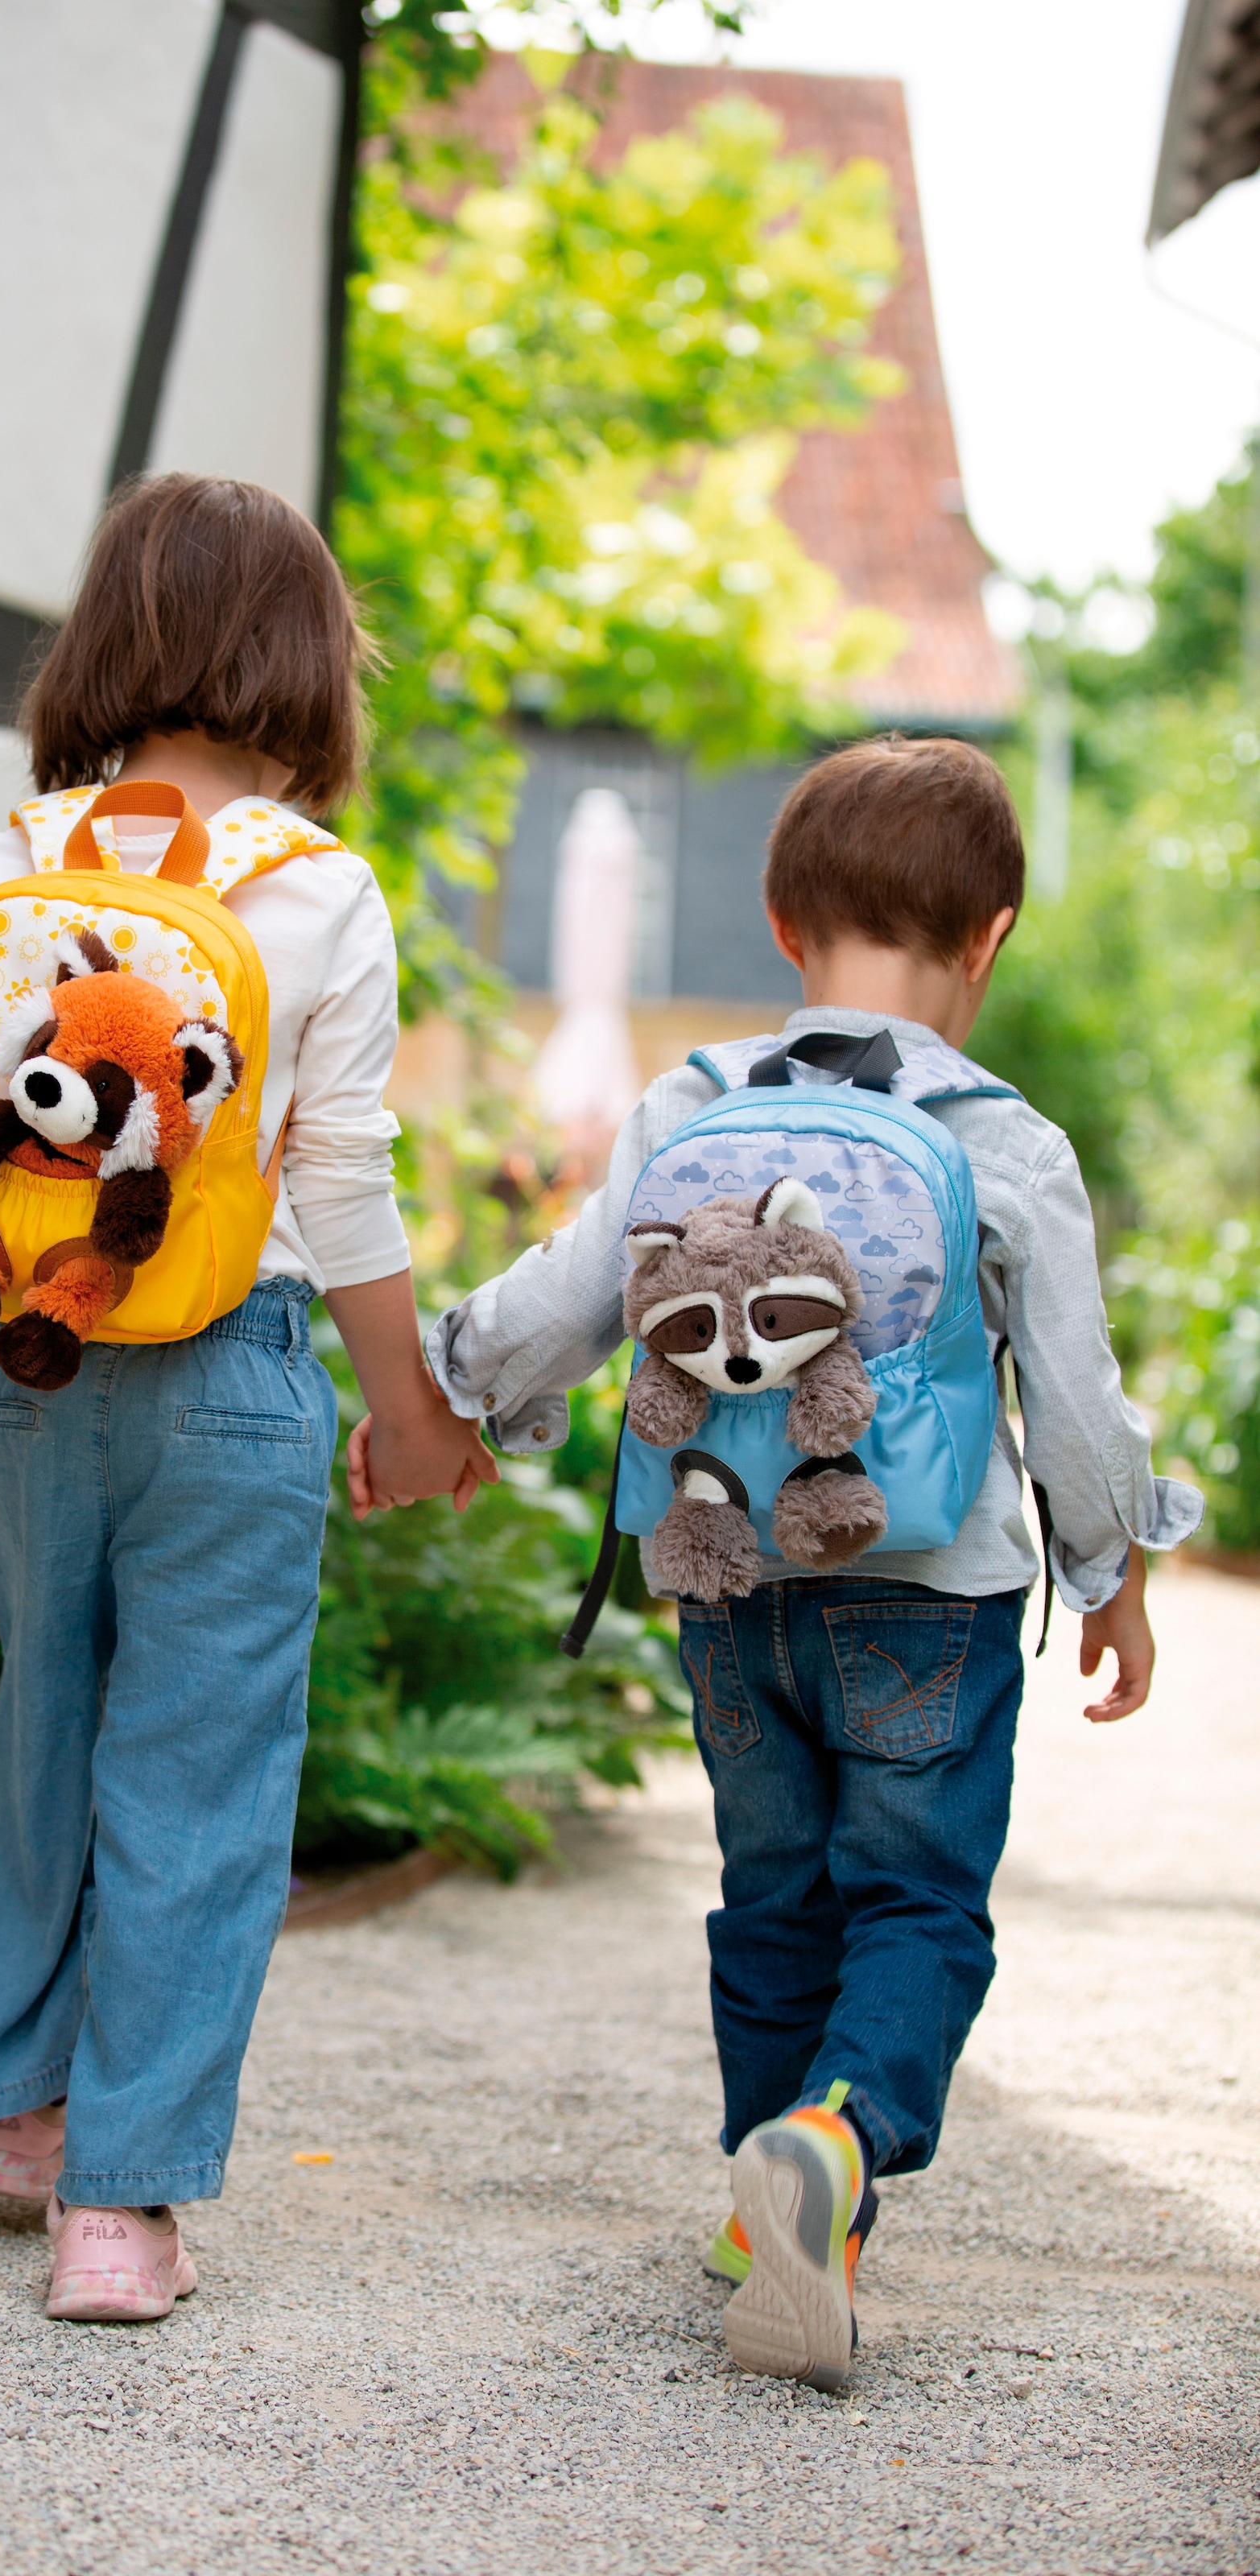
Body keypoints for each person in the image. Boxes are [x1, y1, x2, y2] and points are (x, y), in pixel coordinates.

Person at [349, 734, 1201, 2388]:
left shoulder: (691, 1102)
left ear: (773, 913)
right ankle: (835, 2136)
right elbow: (1076, 1404)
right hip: (928, 1597)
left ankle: (768, 2196)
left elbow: (568, 1292)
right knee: (913, 1902)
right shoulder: (1001, 1134)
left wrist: (444, 1397)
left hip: (723, 1577)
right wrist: (1112, 1572)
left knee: (770, 1897)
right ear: (991, 934)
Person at [0, 474, 494, 2322]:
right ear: (308, 660)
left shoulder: (8, 866)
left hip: (15, 1366)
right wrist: (406, 1408)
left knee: (42, 1712)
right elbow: (347, 1174)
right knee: (200, 1773)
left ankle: (9, 2107)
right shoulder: (316, 890)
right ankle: (119, 2209)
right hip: (229, 1373)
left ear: (103, 644)